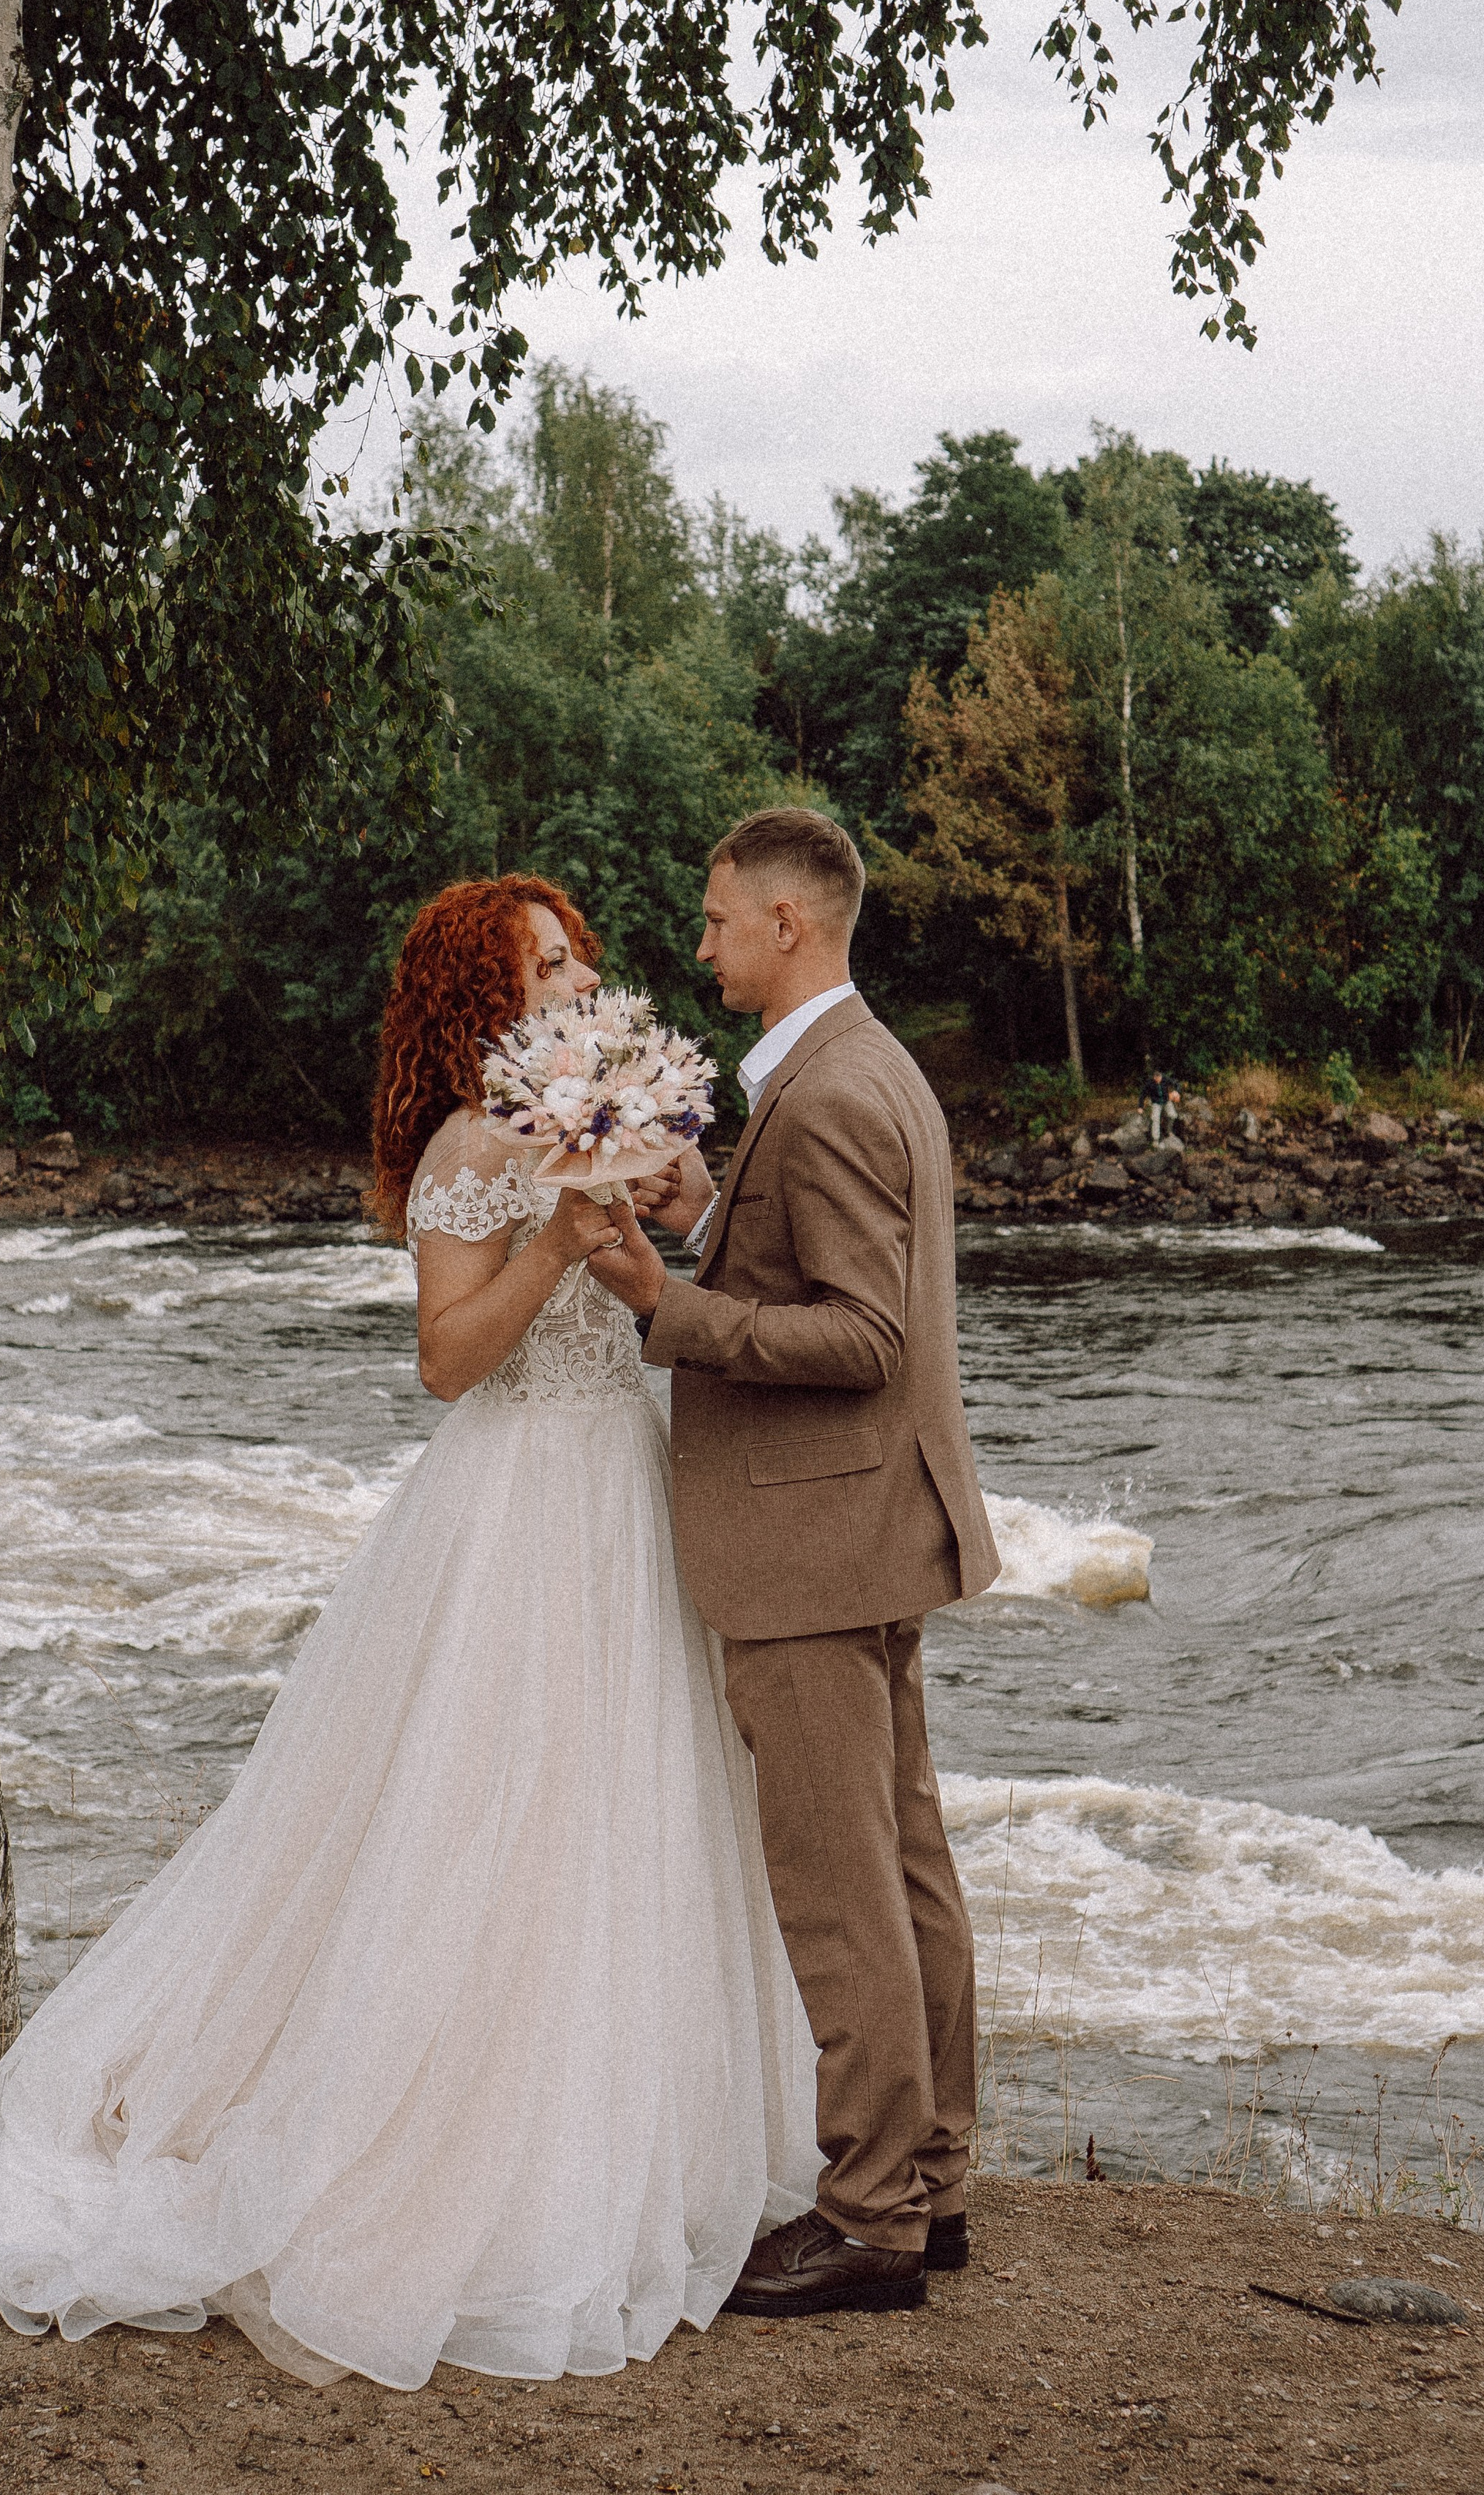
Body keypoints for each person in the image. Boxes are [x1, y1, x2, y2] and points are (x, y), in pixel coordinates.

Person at [0, 873, 818, 2390]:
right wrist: (553, 1239)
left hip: (628, 1504)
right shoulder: (467, 1150)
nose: (575, 977)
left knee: (633, 1814)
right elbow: (447, 1362)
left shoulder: (629, 1120)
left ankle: (626, 2132)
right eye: (541, 963)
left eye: (579, 955)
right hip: (514, 1505)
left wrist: (659, 1211)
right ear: (481, 999)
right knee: (485, 1822)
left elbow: (701, 1288)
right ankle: (434, 2149)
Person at [591, 808, 1003, 2318]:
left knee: (840, 1892)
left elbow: (861, 1336)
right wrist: (706, 1218)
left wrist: (664, 1309)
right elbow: (831, 1273)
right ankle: (932, 2185)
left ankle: (870, 2218)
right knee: (904, 1873)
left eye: (713, 919)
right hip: (868, 1524)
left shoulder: (825, 1095)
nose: (697, 945)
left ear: (787, 923)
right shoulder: (859, 1065)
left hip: (812, 1540)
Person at [1142, 1064, 1180, 1147]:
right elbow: (1143, 1094)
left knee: (1173, 1115)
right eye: (1156, 1079)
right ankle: (1156, 1140)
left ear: (1161, 1077)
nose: (1158, 1080)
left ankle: (1168, 1131)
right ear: (1154, 1077)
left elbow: (1177, 1084)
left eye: (1159, 1078)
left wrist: (1176, 1092)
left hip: (1166, 1101)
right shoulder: (1150, 1083)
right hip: (1156, 1103)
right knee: (1155, 1119)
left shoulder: (1165, 1079)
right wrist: (1140, 1106)